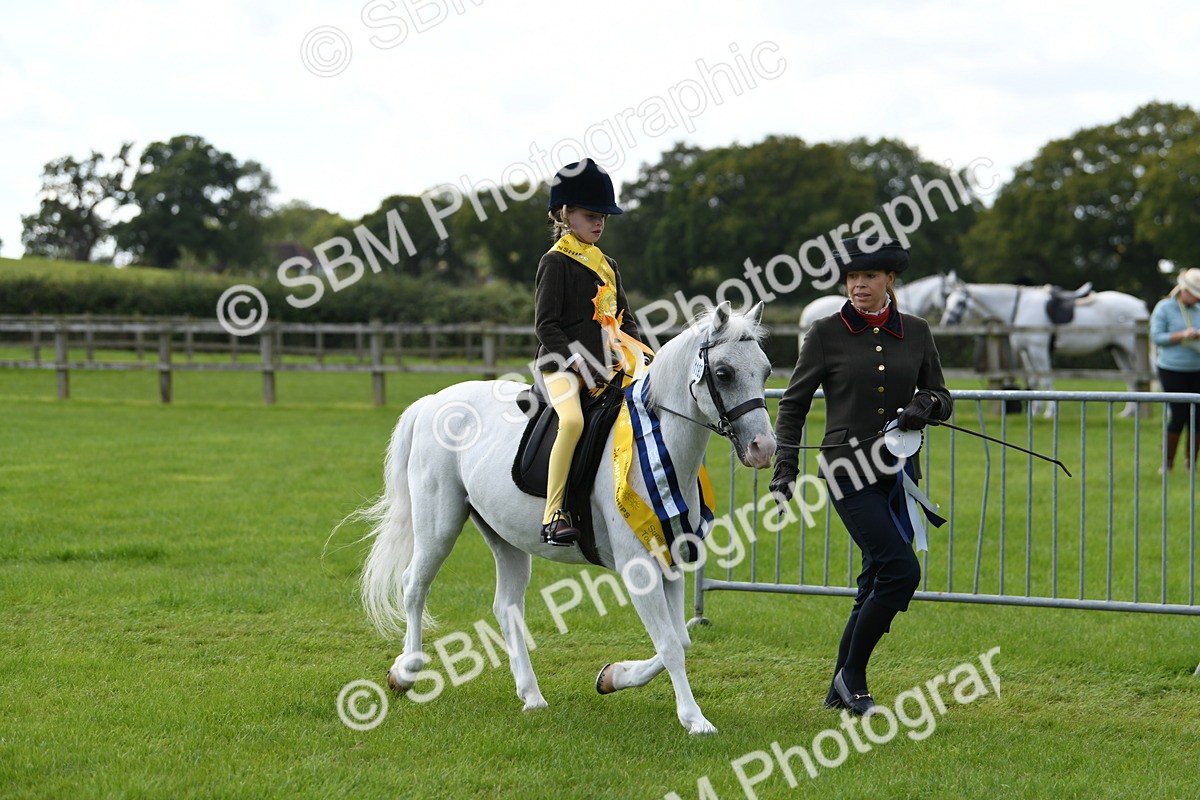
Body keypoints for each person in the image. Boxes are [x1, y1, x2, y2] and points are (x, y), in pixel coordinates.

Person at [769, 236, 953, 715]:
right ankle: (853, 677)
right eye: (852, 277)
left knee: (875, 576)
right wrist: (785, 464)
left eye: (868, 276)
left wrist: (924, 404)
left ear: (890, 280)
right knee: (900, 570)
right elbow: (794, 403)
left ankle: (839, 686)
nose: (858, 285)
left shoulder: (916, 331)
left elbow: (942, 397)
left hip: (899, 472)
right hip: (846, 470)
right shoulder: (825, 333)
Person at [534, 158, 646, 546]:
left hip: (608, 365)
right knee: (573, 423)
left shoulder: (608, 265)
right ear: (565, 214)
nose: (598, 223)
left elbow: (625, 320)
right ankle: (553, 515)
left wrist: (643, 356)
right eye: (589, 215)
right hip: (561, 365)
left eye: (603, 217)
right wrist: (575, 358)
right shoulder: (555, 262)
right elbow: (545, 325)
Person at [1150, 268, 1200, 473]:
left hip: (1197, 368)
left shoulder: (1198, 310)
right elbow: (1157, 338)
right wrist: (1181, 335)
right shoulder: (1164, 308)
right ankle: (1168, 462)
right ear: (1183, 290)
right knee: (1179, 414)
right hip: (1172, 369)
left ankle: (1191, 462)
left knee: (1198, 416)